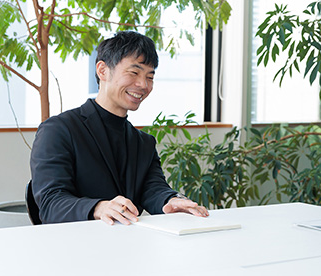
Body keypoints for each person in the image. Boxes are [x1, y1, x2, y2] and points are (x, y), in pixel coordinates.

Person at [30, 31, 209, 225]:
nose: (143, 84)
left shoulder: (143, 142)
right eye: (134, 73)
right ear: (103, 70)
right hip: (75, 247)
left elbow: (153, 189)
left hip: (129, 245)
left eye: (150, 76)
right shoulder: (58, 130)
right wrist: (99, 208)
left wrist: (171, 200)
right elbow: (51, 203)